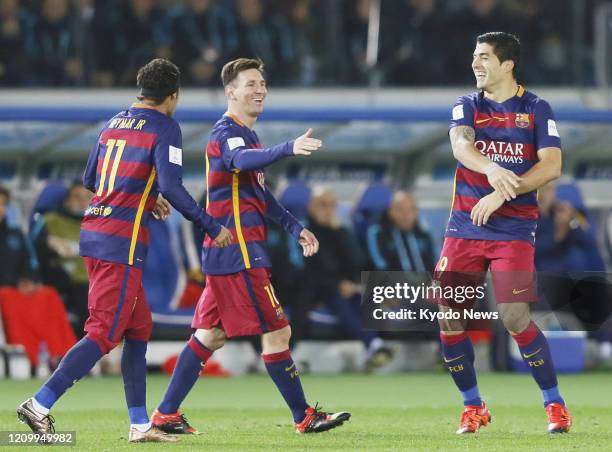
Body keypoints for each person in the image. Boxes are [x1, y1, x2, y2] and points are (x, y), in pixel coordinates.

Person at [17, 58, 231, 444]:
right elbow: (172, 185)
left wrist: (145, 198)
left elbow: (90, 179)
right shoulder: (165, 126)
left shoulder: (113, 122)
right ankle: (40, 403)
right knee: (103, 333)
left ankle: (139, 425)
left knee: (138, 328)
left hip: (96, 232)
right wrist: (211, 225)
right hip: (121, 241)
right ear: (173, 96)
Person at [151, 57, 350, 435]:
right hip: (238, 252)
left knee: (211, 334)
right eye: (250, 84)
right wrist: (289, 146)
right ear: (231, 92)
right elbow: (240, 160)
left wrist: (295, 227)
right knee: (277, 331)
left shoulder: (247, 134)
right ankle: (303, 416)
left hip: (231, 252)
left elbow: (261, 195)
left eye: (262, 84)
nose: (259, 90)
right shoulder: (227, 132)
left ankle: (165, 414)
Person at [433, 32, 571, 434]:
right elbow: (461, 146)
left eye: (484, 57)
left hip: (513, 229)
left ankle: (555, 404)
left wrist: (499, 195)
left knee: (514, 317)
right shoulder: (466, 105)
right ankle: (473, 406)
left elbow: (551, 166)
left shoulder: (536, 107)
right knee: (449, 318)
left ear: (508, 64)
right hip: (464, 227)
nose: (475, 63)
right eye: (474, 57)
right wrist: (492, 170)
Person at [306, 186, 392, 370]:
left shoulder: (339, 231)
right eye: (323, 205)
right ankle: (374, 345)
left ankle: (374, 346)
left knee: (362, 299)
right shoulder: (304, 231)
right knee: (339, 298)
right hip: (316, 288)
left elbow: (357, 260)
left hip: (342, 287)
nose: (328, 210)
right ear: (311, 206)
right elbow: (316, 267)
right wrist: (338, 284)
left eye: (332, 206)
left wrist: (338, 231)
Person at [32, 182, 93, 335]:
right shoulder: (49, 221)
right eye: (77, 197)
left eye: (87, 197)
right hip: (61, 280)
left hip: (93, 282)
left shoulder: (98, 224)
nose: (82, 202)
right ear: (66, 199)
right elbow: (34, 253)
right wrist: (50, 245)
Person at [366, 190, 435, 272]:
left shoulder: (424, 235)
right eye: (400, 209)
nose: (406, 215)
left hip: (425, 283)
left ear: (416, 211)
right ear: (390, 211)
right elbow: (380, 266)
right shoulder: (377, 233)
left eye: (411, 209)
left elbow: (435, 265)